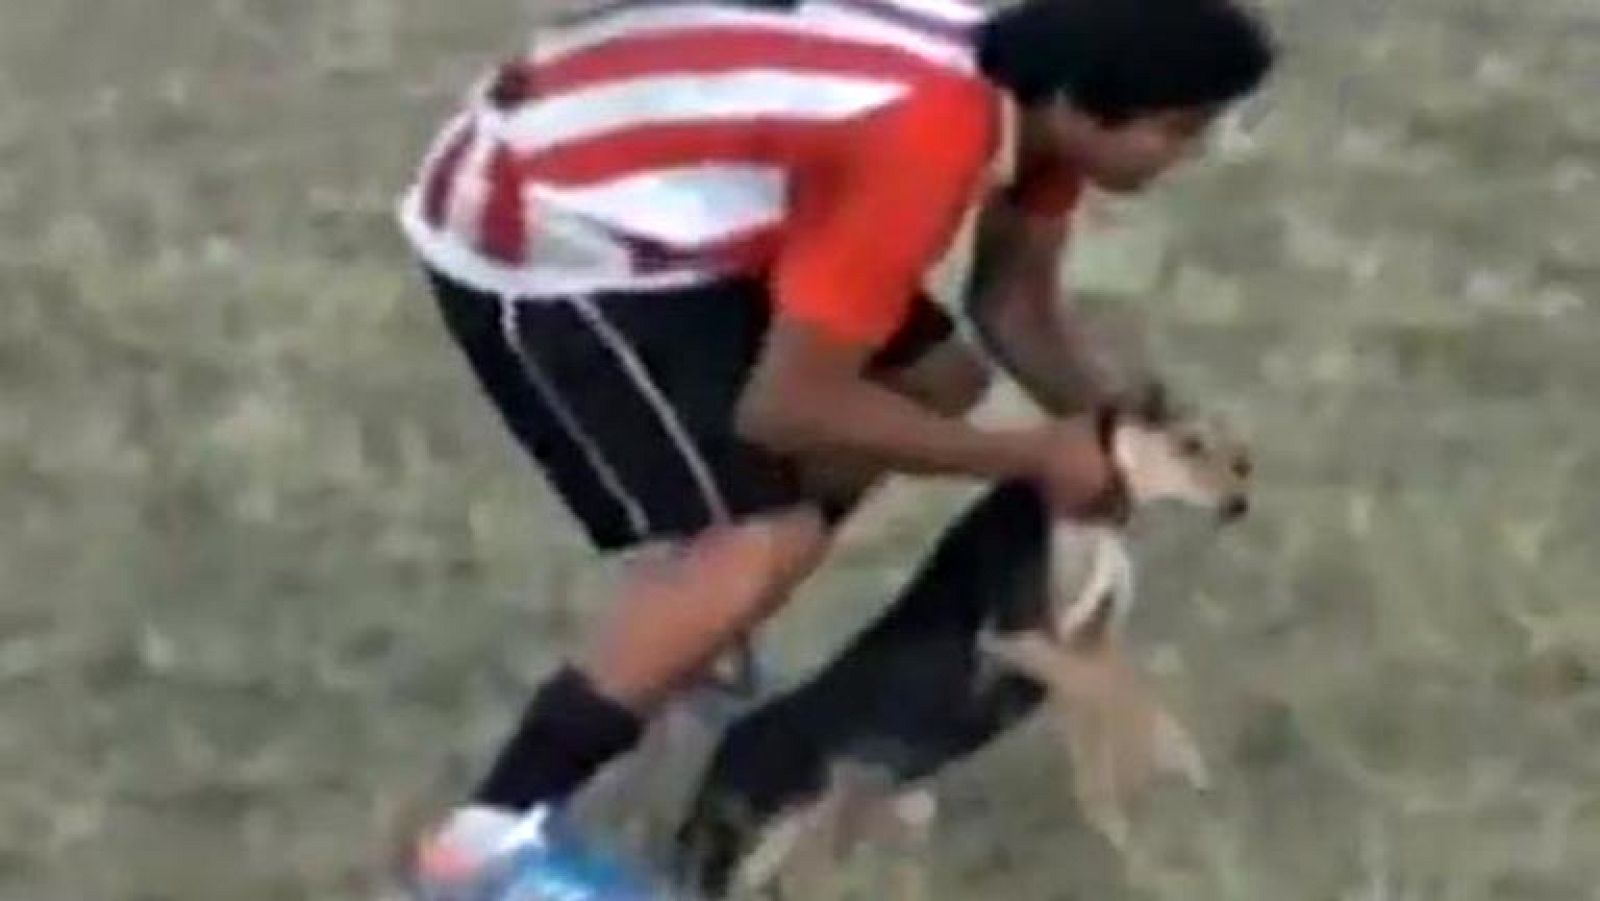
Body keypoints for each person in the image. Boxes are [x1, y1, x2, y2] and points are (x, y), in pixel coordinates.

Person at [396, 0, 1274, 895]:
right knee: (758, 540)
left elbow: (1013, 303)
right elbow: (788, 409)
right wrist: (1035, 454)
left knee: (936, 380)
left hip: (674, 194)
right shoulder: (928, 134)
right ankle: (484, 845)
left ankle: (694, 642)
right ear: (1086, 104)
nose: (1191, 154)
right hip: (547, 222)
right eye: (1181, 130)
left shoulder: (1032, 90)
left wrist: (1124, 427)